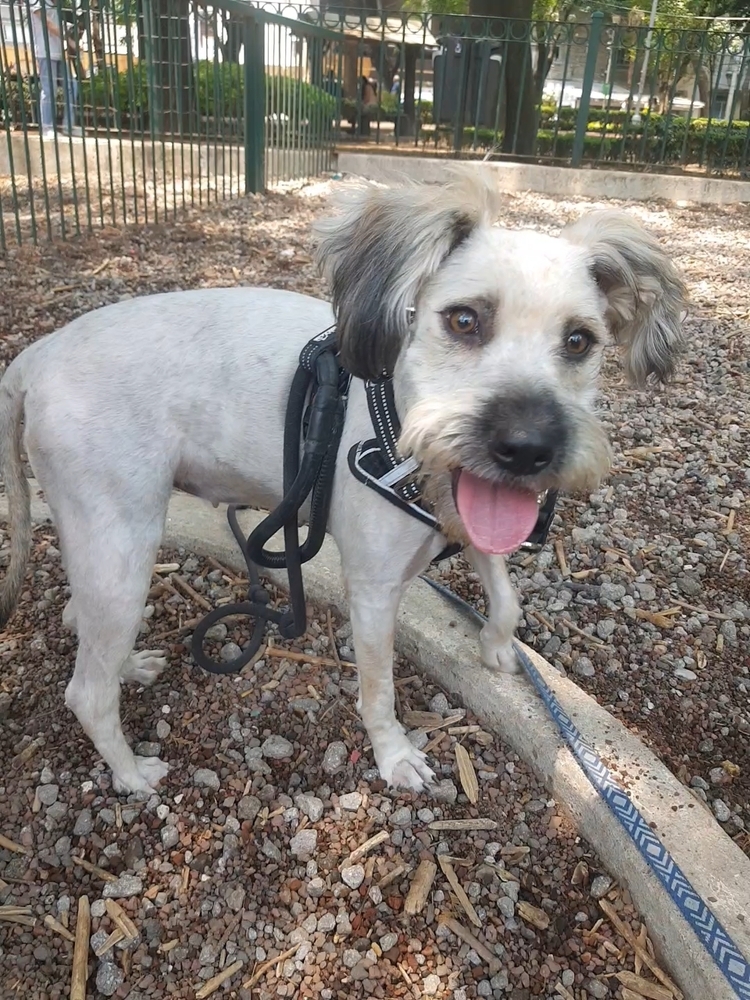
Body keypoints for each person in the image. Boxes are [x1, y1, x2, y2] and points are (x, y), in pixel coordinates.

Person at [29, 0, 81, 138]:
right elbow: (49, 25)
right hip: (45, 53)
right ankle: (47, 128)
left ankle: (68, 126)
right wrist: (69, 40)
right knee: (49, 89)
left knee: (72, 86)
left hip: (58, 53)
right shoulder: (36, 2)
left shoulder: (55, 4)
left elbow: (57, 24)